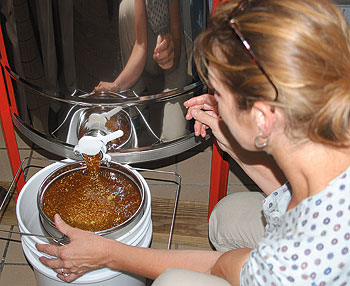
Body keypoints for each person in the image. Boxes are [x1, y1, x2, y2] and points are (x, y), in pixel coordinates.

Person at [36, 0, 350, 285]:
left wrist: (108, 254)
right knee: (226, 218)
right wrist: (233, 141)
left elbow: (223, 267)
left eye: (219, 94)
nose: (212, 100)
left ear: (263, 119)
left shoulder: (296, 264)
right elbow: (293, 194)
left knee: (171, 282)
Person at [94, 0, 188, 95]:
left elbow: (177, 40)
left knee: (174, 107)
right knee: (128, 7)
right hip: (149, 51)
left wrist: (169, 56)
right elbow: (140, 45)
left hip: (173, 54)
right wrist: (116, 86)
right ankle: (135, 93)